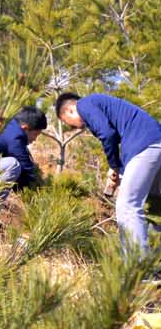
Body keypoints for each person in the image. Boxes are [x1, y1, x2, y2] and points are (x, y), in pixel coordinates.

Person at [56, 91, 161, 257]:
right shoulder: (103, 104)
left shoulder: (84, 104)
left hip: (145, 147)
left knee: (127, 206)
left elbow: (107, 134)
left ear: (68, 111)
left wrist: (114, 166)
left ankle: (140, 271)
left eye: (68, 123)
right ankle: (154, 262)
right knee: (154, 206)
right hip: (155, 143)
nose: (75, 127)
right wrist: (119, 170)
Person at [0, 106, 46, 189]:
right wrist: (40, 186)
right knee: (13, 165)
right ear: (25, 128)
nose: (35, 139)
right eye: (35, 134)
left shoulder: (12, 125)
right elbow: (27, 169)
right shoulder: (16, 138)